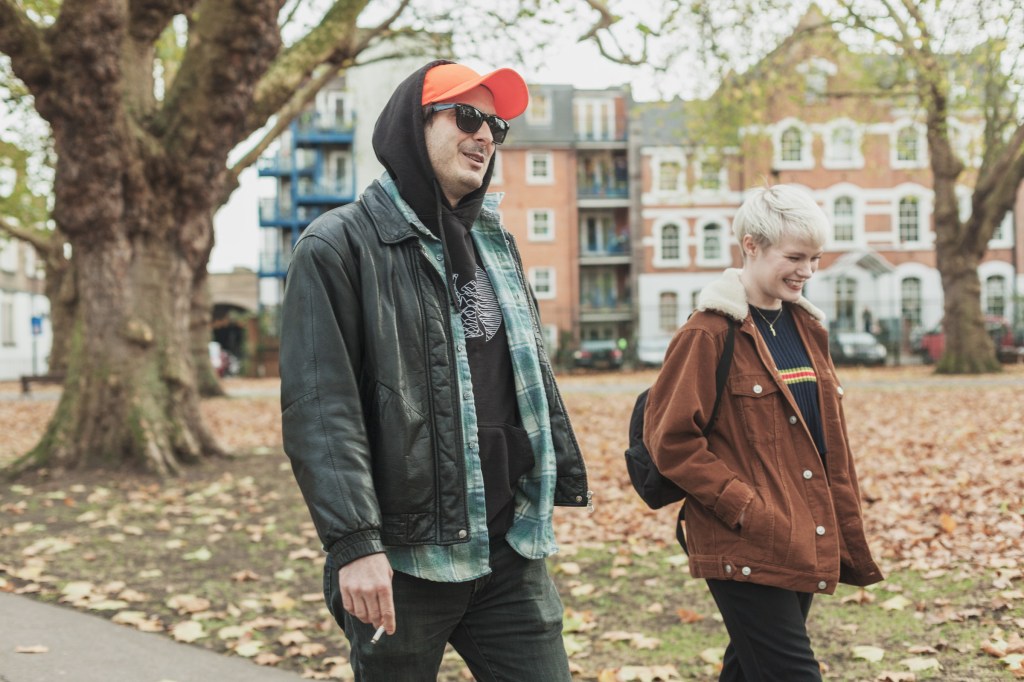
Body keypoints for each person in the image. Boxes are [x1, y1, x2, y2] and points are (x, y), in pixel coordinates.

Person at [278, 60, 590, 681]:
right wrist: (355, 545)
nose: (485, 136)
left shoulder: (495, 244)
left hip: (507, 552)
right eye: (467, 116)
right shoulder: (338, 245)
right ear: (411, 126)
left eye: (496, 126)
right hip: (403, 561)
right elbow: (321, 410)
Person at [644, 184, 883, 681]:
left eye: (815, 258)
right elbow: (670, 440)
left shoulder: (805, 327)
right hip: (745, 538)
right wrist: (744, 507)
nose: (807, 271)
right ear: (751, 245)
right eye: (794, 257)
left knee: (751, 668)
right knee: (792, 672)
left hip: (803, 531)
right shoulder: (708, 332)